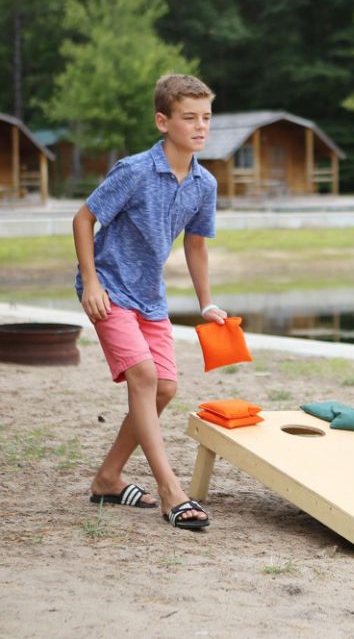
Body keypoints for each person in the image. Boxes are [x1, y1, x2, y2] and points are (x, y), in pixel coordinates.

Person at [73, 74, 227, 530]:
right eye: (189, 118)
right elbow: (84, 220)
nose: (200, 127)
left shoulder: (204, 184)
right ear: (163, 121)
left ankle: (108, 478)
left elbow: (195, 247)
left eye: (206, 118)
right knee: (142, 376)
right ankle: (170, 490)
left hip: (150, 296)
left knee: (164, 387)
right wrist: (91, 282)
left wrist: (206, 304)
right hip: (110, 289)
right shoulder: (135, 170)